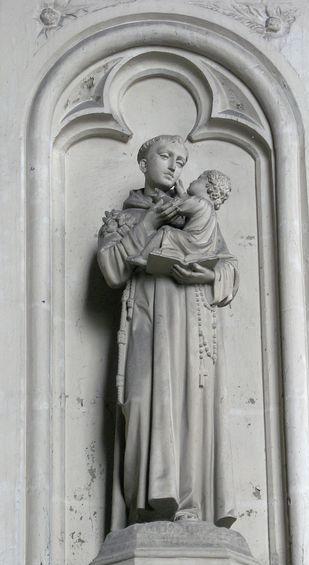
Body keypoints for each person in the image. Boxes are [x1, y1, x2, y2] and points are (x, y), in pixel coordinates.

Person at [97, 135, 239, 529]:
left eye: (181, 159)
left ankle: (189, 509)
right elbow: (111, 269)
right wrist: (148, 224)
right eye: (165, 156)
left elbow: (229, 267)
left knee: (189, 410)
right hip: (145, 319)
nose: (174, 165)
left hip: (192, 322)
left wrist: (207, 272)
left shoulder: (197, 213)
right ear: (144, 162)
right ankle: (146, 509)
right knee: (142, 404)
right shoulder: (123, 218)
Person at [127, 169, 232, 267]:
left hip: (193, 242)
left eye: (198, 179)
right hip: (204, 247)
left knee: (165, 231)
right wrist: (182, 194)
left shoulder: (200, 202)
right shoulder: (210, 210)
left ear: (209, 187)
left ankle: (143, 258)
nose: (193, 181)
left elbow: (177, 206)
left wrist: (162, 197)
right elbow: (185, 203)